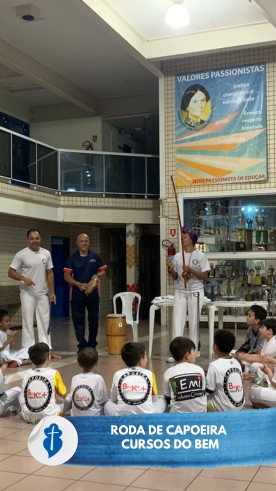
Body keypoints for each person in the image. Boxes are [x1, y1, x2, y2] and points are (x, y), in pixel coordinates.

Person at [8, 229, 61, 359]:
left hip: (42, 293)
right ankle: (27, 351)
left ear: (40, 239)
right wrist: (23, 278)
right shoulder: (21, 254)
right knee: (27, 321)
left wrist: (52, 291)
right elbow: (11, 272)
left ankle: (47, 349)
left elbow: (50, 273)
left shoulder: (46, 254)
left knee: (45, 322)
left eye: (37, 238)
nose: (34, 241)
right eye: (32, 238)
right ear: (28, 240)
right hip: (27, 293)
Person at [166, 226, 210, 362]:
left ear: (192, 240)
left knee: (193, 322)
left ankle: (193, 352)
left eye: (185, 237)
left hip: (195, 291)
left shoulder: (201, 256)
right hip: (180, 291)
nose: (182, 239)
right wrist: (170, 268)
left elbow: (205, 276)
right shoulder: (178, 256)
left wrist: (191, 270)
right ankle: (176, 353)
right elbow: (175, 277)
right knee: (177, 321)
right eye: (182, 237)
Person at [63, 233, 107, 353]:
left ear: (89, 242)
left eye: (86, 241)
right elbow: (66, 276)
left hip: (93, 293)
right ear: (77, 243)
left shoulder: (95, 256)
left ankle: (92, 345)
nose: (84, 243)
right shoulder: (72, 258)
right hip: (77, 293)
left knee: (93, 319)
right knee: (78, 320)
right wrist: (78, 284)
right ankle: (82, 345)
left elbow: (103, 272)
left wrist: (97, 276)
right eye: (81, 241)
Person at [104, 342, 167, 415]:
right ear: (141, 361)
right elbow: (154, 399)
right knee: (162, 399)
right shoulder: (150, 374)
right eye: (145, 357)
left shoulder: (117, 374)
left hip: (122, 416)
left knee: (107, 403)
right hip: (148, 415)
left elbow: (113, 399)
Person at [19, 342, 71, 423]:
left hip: (28, 416)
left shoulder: (27, 373)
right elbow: (63, 394)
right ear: (48, 358)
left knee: (20, 393)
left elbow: (24, 394)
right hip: (50, 416)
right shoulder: (54, 373)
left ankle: (23, 413)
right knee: (69, 398)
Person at [163, 337, 206, 412]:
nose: (195, 354)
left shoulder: (168, 373)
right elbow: (203, 392)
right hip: (200, 415)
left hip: (178, 417)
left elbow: (167, 397)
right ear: (187, 355)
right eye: (193, 352)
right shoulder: (199, 370)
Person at [206, 330, 244, 412]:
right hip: (240, 406)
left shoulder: (214, 365)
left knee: (200, 401)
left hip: (223, 409)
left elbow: (209, 390)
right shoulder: (236, 362)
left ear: (215, 347)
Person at [69, 348, 108, 416]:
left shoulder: (74, 378)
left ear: (79, 363)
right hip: (95, 416)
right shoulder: (98, 378)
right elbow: (103, 400)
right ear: (96, 363)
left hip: (76, 416)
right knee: (108, 403)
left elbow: (72, 398)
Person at [235, 318, 276, 382]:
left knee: (254, 365)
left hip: (272, 369)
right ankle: (250, 375)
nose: (260, 329)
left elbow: (260, 358)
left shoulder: (274, 342)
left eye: (262, 327)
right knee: (250, 363)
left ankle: (260, 378)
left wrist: (241, 356)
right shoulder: (268, 341)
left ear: (269, 331)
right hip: (269, 366)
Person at [234, 305, 267, 376]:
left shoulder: (263, 331)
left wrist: (244, 356)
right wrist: (238, 353)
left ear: (257, 320)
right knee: (233, 354)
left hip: (261, 357)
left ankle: (246, 373)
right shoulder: (250, 329)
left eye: (249, 316)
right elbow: (246, 344)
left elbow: (259, 350)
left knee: (251, 364)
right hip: (253, 354)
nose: (247, 317)